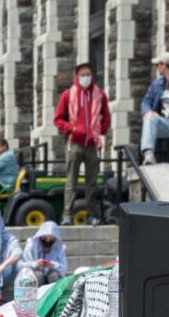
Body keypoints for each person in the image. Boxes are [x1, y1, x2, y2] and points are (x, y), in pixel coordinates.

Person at [53, 62, 111, 224]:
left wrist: (102, 130)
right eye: (83, 74)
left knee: (91, 182)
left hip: (92, 144)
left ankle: (92, 215)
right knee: (71, 181)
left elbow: (106, 115)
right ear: (77, 77)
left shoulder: (100, 95)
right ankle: (67, 215)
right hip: (74, 143)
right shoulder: (68, 95)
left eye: (88, 74)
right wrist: (71, 128)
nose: (86, 77)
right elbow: (58, 119)